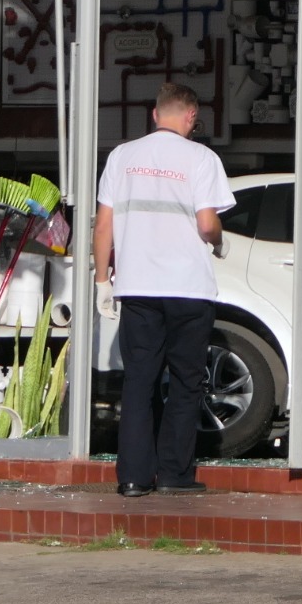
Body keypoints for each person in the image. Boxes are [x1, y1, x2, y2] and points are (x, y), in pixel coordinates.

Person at [93, 83, 235, 498]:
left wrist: (103, 280)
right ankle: (175, 474)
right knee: (187, 381)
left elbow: (104, 226)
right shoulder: (202, 158)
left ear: (155, 115)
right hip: (189, 289)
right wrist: (220, 241)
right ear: (191, 117)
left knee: (139, 381)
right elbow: (208, 224)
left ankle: (134, 479)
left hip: (137, 288)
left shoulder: (122, 156)